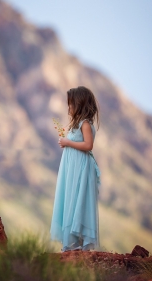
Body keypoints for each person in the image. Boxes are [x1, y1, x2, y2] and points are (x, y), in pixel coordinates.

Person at [50, 86, 101, 252]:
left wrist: (67, 142)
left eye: (71, 104)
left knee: (78, 200)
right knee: (70, 199)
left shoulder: (85, 124)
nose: (68, 108)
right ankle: (72, 244)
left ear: (79, 104)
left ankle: (78, 243)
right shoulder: (76, 124)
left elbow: (88, 145)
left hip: (81, 169)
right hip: (72, 168)